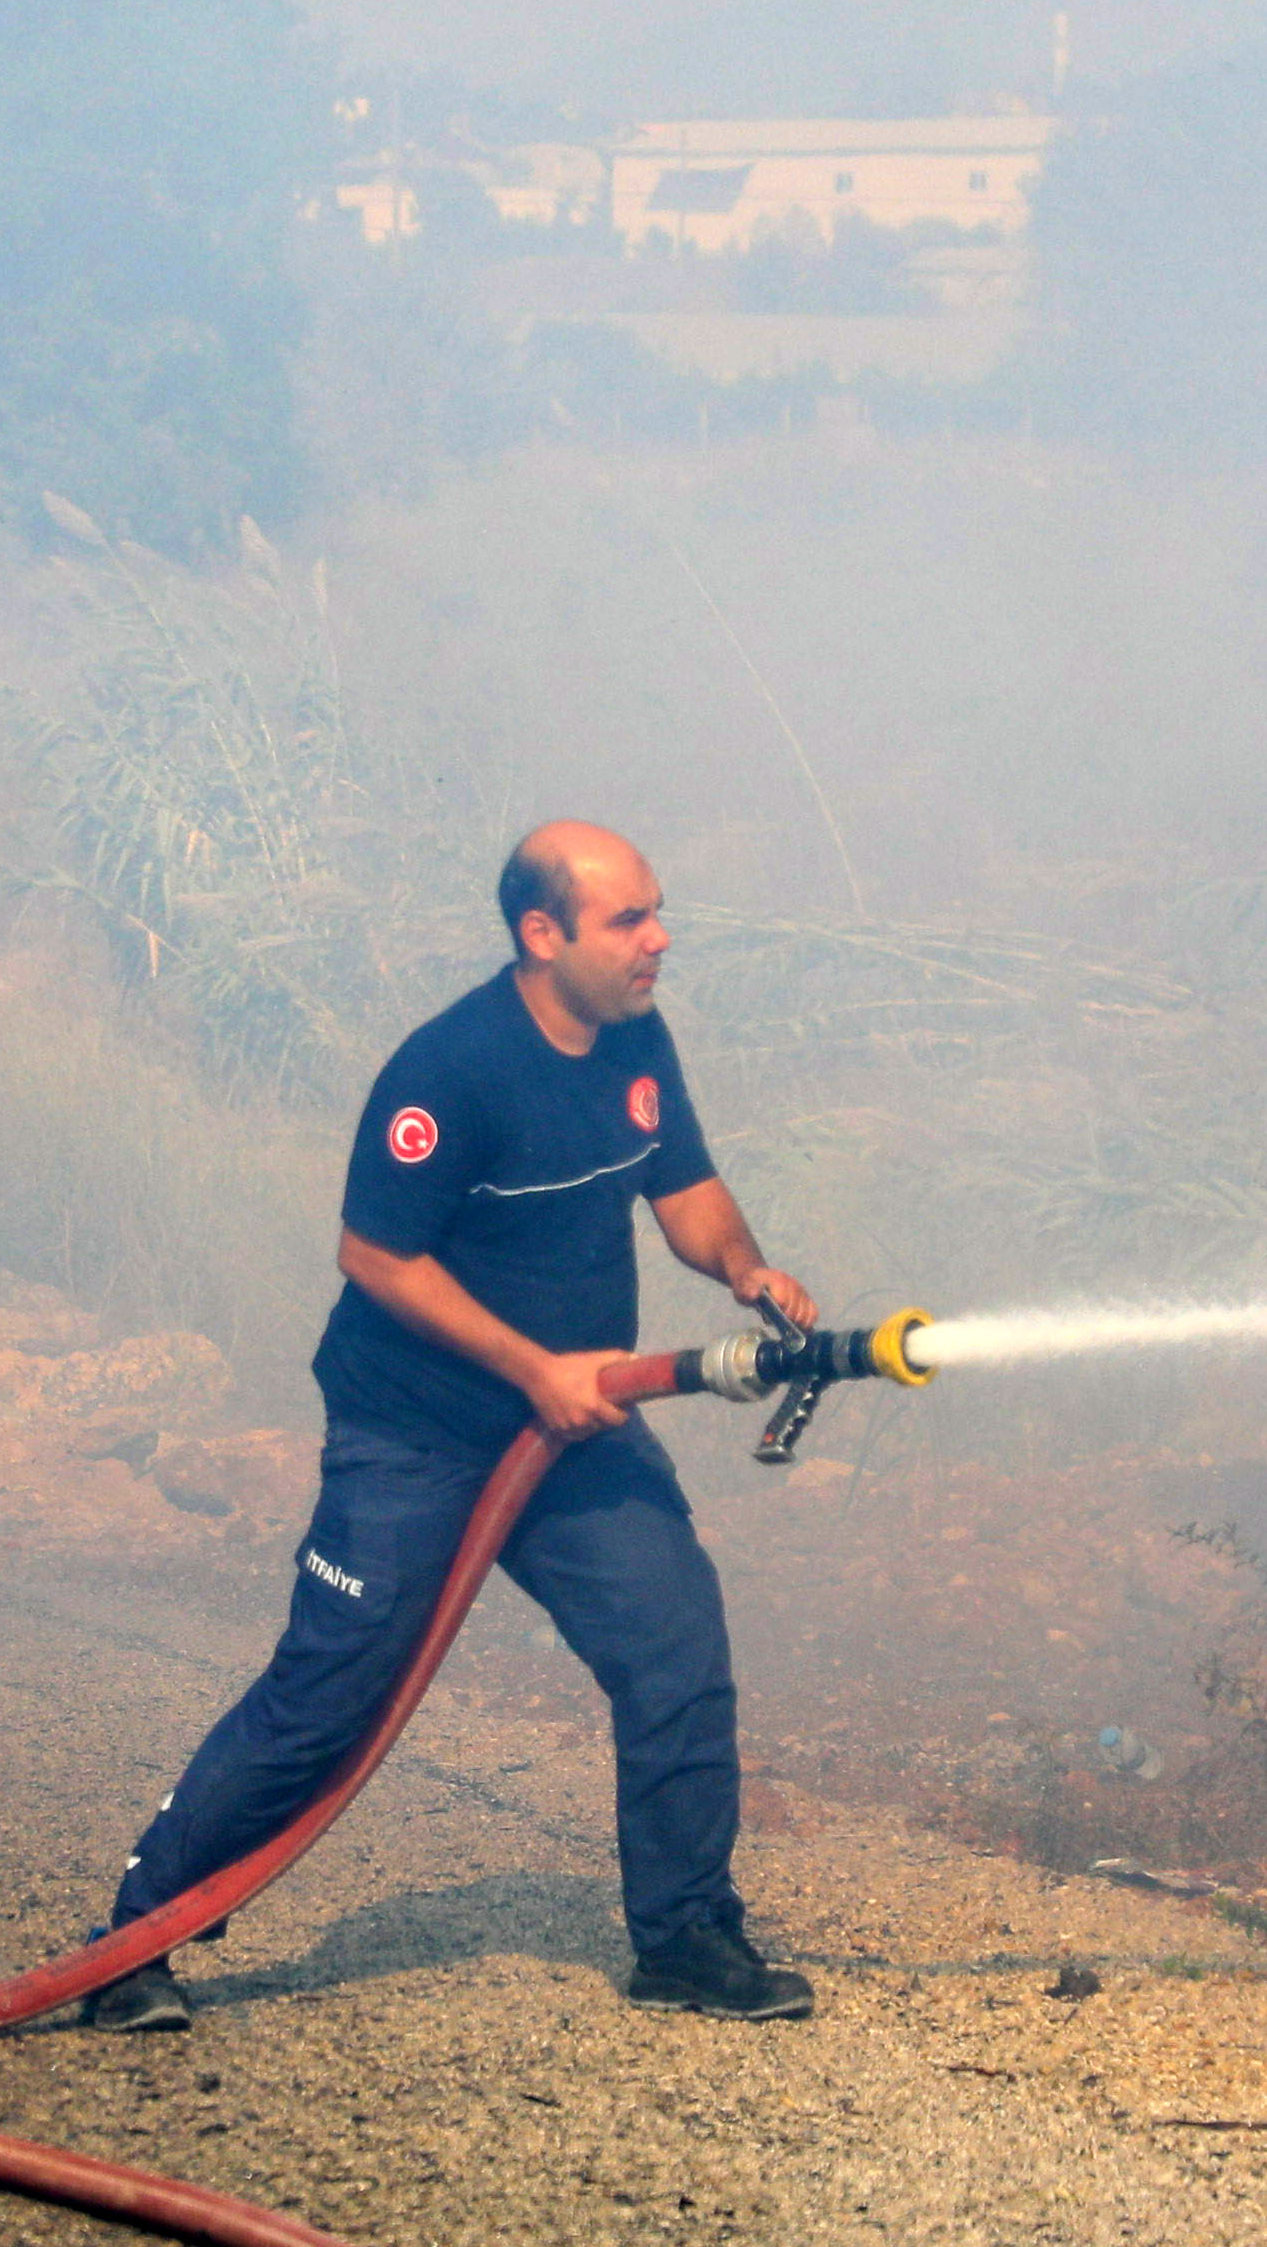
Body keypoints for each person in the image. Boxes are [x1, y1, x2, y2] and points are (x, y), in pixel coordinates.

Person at [84, 821, 823, 2031]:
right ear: (543, 934)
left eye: (658, 911)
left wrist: (745, 1270)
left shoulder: (637, 1041)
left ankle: (686, 1939)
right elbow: (374, 1254)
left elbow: (685, 1192)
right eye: (629, 919)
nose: (659, 938)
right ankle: (131, 1946)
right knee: (330, 1692)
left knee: (676, 1643)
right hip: (417, 1430)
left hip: (575, 1426)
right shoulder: (453, 1069)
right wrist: (533, 1368)